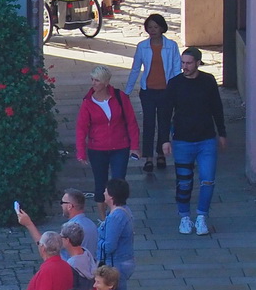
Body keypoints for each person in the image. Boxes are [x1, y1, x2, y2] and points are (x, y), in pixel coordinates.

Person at [164, 47, 227, 235]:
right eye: (183, 63)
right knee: (184, 182)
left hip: (206, 139)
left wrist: (222, 133)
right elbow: (166, 113)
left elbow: (217, 107)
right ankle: (184, 217)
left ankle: (201, 217)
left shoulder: (208, 81)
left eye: (189, 63)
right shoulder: (175, 84)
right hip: (182, 140)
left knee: (208, 180)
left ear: (198, 62)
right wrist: (164, 140)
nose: (185, 66)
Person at [74, 66, 139, 203]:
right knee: (100, 185)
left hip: (120, 146)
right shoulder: (88, 102)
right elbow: (81, 128)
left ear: (106, 82)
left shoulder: (120, 97)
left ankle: (118, 214)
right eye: (92, 79)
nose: (93, 83)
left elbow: (131, 122)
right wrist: (81, 151)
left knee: (119, 185)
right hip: (97, 148)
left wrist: (134, 146)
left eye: (97, 80)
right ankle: (103, 219)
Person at [125, 13, 181, 170]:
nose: (153, 30)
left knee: (164, 123)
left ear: (162, 28)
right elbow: (135, 69)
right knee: (148, 123)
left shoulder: (172, 46)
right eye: (150, 27)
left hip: (166, 91)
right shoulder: (142, 46)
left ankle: (161, 154)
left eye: (156, 27)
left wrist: (177, 89)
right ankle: (148, 157)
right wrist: (127, 91)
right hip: (148, 91)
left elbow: (177, 68)